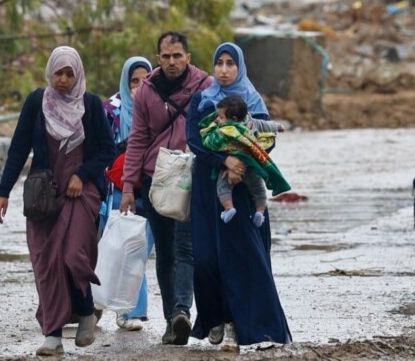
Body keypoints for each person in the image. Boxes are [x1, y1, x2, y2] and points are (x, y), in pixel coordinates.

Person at [0, 46, 115, 356]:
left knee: (73, 256)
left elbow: (106, 150)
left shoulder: (89, 104)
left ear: (78, 74)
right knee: (47, 263)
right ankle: (53, 334)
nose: (63, 79)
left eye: (69, 73)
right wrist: (3, 192)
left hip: (80, 192)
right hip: (44, 195)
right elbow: (19, 148)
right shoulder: (37, 102)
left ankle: (86, 311)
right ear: (50, 73)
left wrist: (82, 175)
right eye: (58, 73)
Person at [186, 42, 291, 351]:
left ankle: (252, 328)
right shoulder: (202, 100)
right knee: (205, 258)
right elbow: (194, 140)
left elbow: (266, 139)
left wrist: (242, 164)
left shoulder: (252, 100)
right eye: (220, 63)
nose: (224, 69)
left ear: (240, 67)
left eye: (231, 63)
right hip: (209, 189)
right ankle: (213, 318)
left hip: (243, 190)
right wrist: (224, 162)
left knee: (243, 259)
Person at [119, 32, 212, 345]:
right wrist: (128, 187)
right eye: (166, 56)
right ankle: (173, 320)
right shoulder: (146, 91)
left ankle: (182, 310)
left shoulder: (205, 86)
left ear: (188, 57)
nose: (172, 62)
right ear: (158, 58)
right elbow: (137, 140)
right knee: (165, 252)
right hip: (154, 179)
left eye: (178, 56)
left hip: (191, 178)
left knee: (186, 248)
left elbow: (217, 132)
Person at [99, 56, 155, 331]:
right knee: (121, 249)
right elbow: (100, 147)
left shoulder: (159, 106)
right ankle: (122, 309)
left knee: (140, 251)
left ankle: (129, 309)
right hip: (120, 189)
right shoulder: (111, 110)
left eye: (145, 79)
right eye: (134, 80)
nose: (139, 86)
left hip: (155, 189)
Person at [199, 94, 289, 226]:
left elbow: (210, 143)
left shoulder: (225, 131)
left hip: (228, 167)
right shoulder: (251, 122)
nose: (218, 119)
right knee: (258, 189)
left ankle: (229, 208)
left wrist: (209, 130)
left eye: (221, 117)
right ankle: (260, 212)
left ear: (233, 119)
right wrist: (278, 126)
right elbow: (265, 125)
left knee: (223, 188)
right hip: (252, 164)